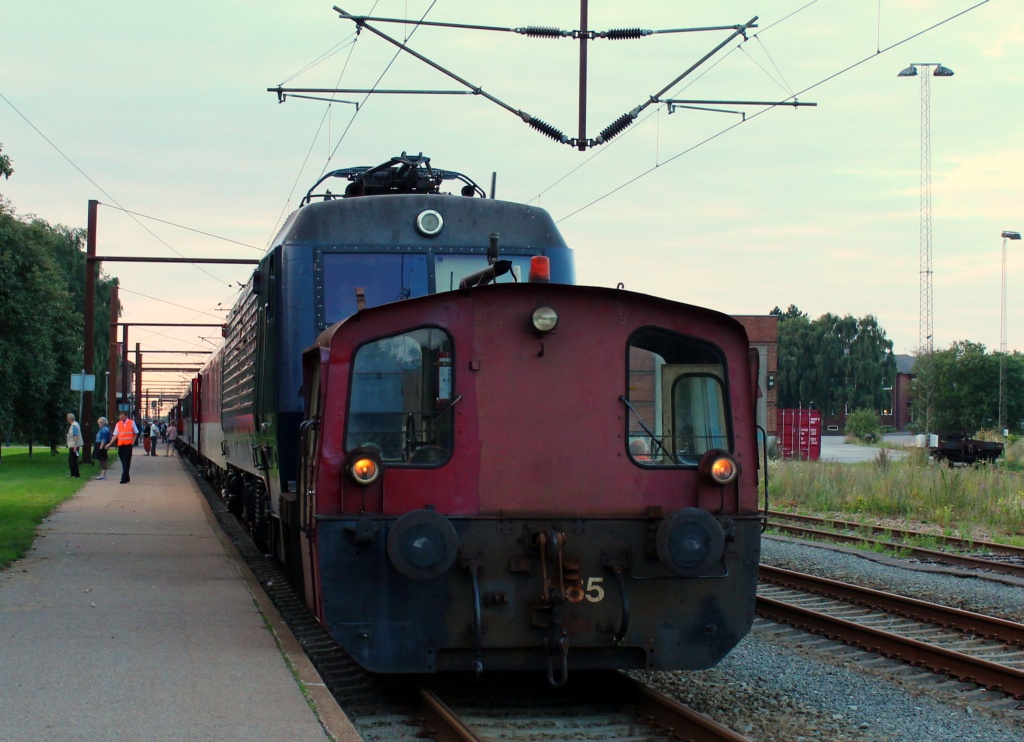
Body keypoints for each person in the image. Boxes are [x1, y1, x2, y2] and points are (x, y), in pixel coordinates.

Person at [108, 412, 139, 484]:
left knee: (126, 461)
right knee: (123, 461)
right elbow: (115, 435)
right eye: (120, 417)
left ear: (126, 416)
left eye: (122, 417)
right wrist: (109, 444)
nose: (121, 418)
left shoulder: (131, 422)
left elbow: (136, 433)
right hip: (120, 445)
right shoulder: (118, 424)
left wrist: (133, 442)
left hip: (128, 445)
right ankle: (127, 477)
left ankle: (123, 478)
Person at [66, 413, 84, 477]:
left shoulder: (74, 425)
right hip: (74, 446)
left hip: (74, 446)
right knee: (73, 459)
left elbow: (75, 436)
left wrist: (75, 446)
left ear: (69, 419)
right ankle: (73, 474)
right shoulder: (75, 424)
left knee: (72, 460)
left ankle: (75, 474)